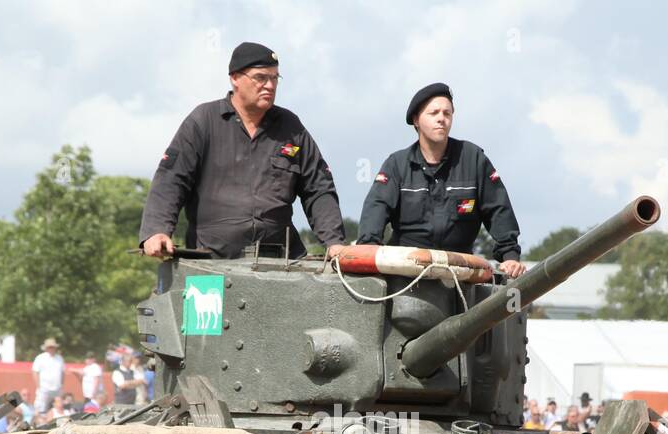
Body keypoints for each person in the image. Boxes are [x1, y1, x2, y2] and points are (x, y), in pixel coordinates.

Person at [140, 42, 346, 261]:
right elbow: (171, 180)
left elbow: (318, 188)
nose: (270, 85)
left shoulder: (291, 127)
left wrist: (334, 242)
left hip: (280, 263)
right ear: (235, 78)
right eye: (260, 77)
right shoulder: (203, 121)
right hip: (211, 262)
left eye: (275, 78)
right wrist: (157, 230)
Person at [357, 82, 524, 277]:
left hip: (460, 271)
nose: (441, 119)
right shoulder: (397, 164)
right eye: (433, 113)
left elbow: (498, 208)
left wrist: (510, 256)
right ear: (416, 120)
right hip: (406, 271)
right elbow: (376, 207)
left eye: (447, 113)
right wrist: (368, 248)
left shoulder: (473, 159)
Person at [32, 338, 65, 413]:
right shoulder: (40, 358)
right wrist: (38, 386)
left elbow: (62, 372)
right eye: (49, 347)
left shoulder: (60, 358)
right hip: (44, 389)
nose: (51, 349)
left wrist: (61, 385)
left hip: (57, 389)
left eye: (52, 347)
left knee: (57, 408)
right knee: (41, 409)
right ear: (46, 348)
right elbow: (35, 372)